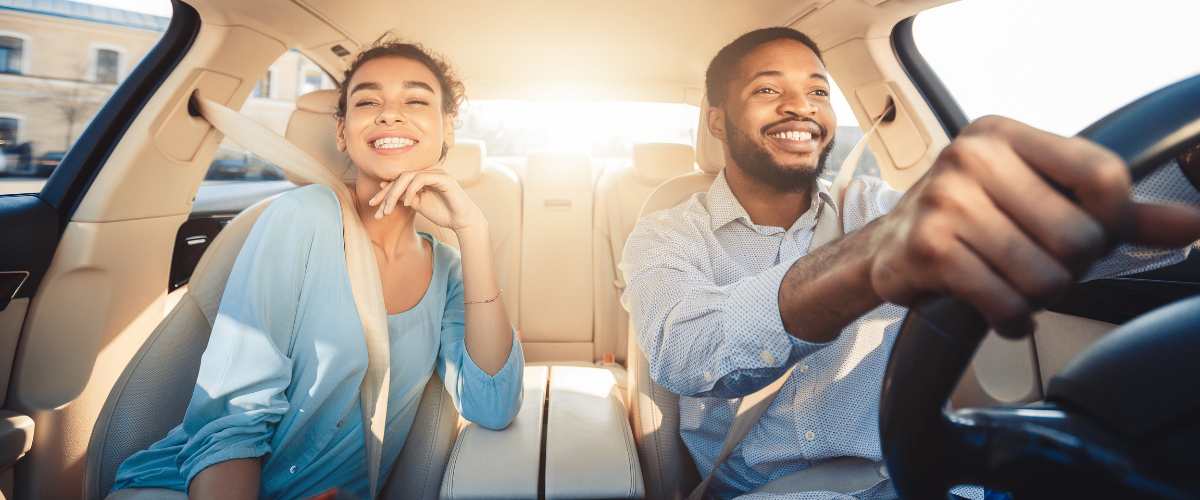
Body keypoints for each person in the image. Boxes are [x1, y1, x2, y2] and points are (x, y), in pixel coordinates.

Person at [621, 27, 1200, 500]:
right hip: (777, 493)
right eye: (768, 91)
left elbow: (1047, 237)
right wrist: (863, 262)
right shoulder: (666, 234)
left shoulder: (875, 206)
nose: (801, 106)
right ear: (717, 120)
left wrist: (1186, 175)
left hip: (929, 475)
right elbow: (685, 352)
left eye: (819, 91)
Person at [110, 38, 524, 500]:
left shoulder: (448, 269)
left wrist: (473, 230)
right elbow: (233, 415)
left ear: (446, 128)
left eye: (415, 100)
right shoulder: (302, 216)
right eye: (368, 101)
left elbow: (493, 405)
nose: (390, 114)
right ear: (343, 131)